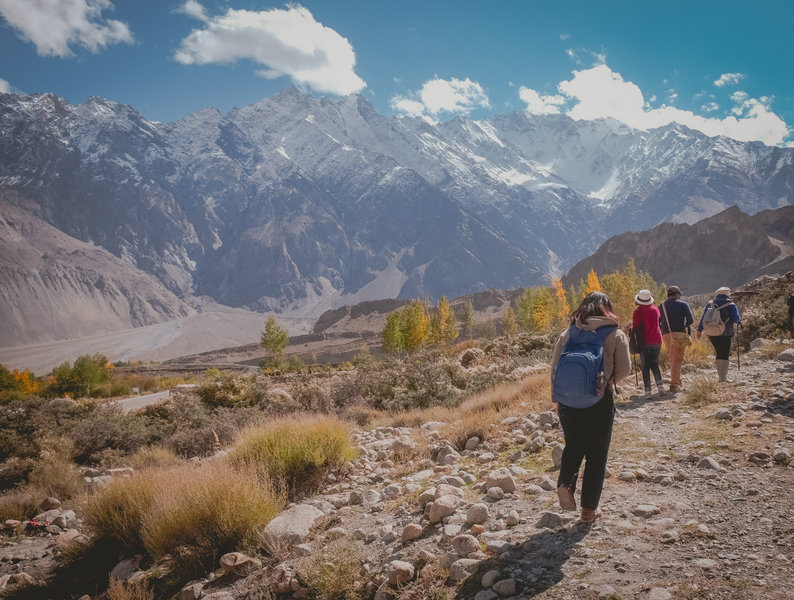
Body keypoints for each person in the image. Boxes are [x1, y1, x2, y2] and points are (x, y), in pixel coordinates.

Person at [551, 292, 631, 524]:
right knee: (597, 456)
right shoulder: (615, 333)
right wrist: (604, 380)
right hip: (599, 401)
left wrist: (557, 399)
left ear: (583, 308)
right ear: (608, 309)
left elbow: (554, 368)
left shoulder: (568, 333)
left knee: (573, 446)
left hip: (567, 400)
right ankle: (588, 511)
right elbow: (624, 371)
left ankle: (565, 482)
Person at [697, 286, 741, 382]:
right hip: (726, 332)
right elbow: (736, 319)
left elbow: (703, 318)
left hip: (711, 332)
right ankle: (723, 378)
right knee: (724, 354)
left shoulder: (710, 304)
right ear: (727, 294)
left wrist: (699, 330)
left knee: (718, 352)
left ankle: (721, 376)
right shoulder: (731, 304)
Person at [659, 285, 694, 393]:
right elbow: (690, 320)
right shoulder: (683, 304)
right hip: (678, 334)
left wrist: (664, 329)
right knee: (678, 359)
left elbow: (658, 321)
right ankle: (674, 385)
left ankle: (677, 380)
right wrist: (682, 325)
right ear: (677, 294)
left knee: (671, 357)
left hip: (665, 334)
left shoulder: (661, 305)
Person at [632, 289, 664, 397]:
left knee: (645, 366)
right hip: (656, 339)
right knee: (654, 362)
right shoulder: (656, 310)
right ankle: (660, 385)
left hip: (644, 341)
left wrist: (630, 328)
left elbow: (636, 327)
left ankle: (648, 391)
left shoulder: (637, 312)